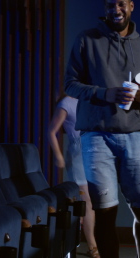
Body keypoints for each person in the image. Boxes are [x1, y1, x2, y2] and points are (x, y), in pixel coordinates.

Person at [64, 0, 140, 258]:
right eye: (111, 5)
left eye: (121, 4)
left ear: (131, 6)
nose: (117, 9)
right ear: (105, 8)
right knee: (104, 214)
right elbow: (70, 84)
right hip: (96, 137)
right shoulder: (86, 40)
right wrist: (105, 93)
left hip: (134, 137)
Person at [47, 95, 99, 258]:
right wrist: (58, 155)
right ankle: (92, 246)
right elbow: (51, 131)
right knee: (87, 201)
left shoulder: (90, 98)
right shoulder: (66, 102)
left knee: (93, 201)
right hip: (78, 152)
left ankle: (78, 237)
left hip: (96, 150)